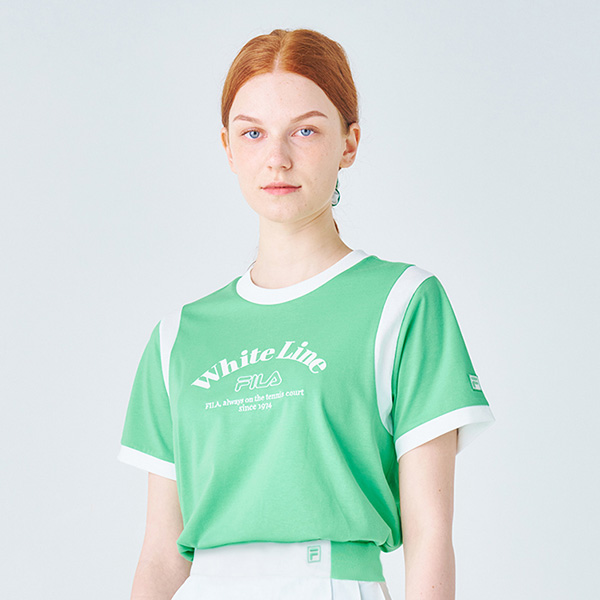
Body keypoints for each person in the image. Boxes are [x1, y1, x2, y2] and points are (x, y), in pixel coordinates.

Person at [117, 27, 496, 600]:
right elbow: (159, 558)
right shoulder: (179, 336)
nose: (277, 158)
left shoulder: (403, 302)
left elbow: (430, 536)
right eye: (252, 133)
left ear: (349, 142)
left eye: (305, 130)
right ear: (228, 148)